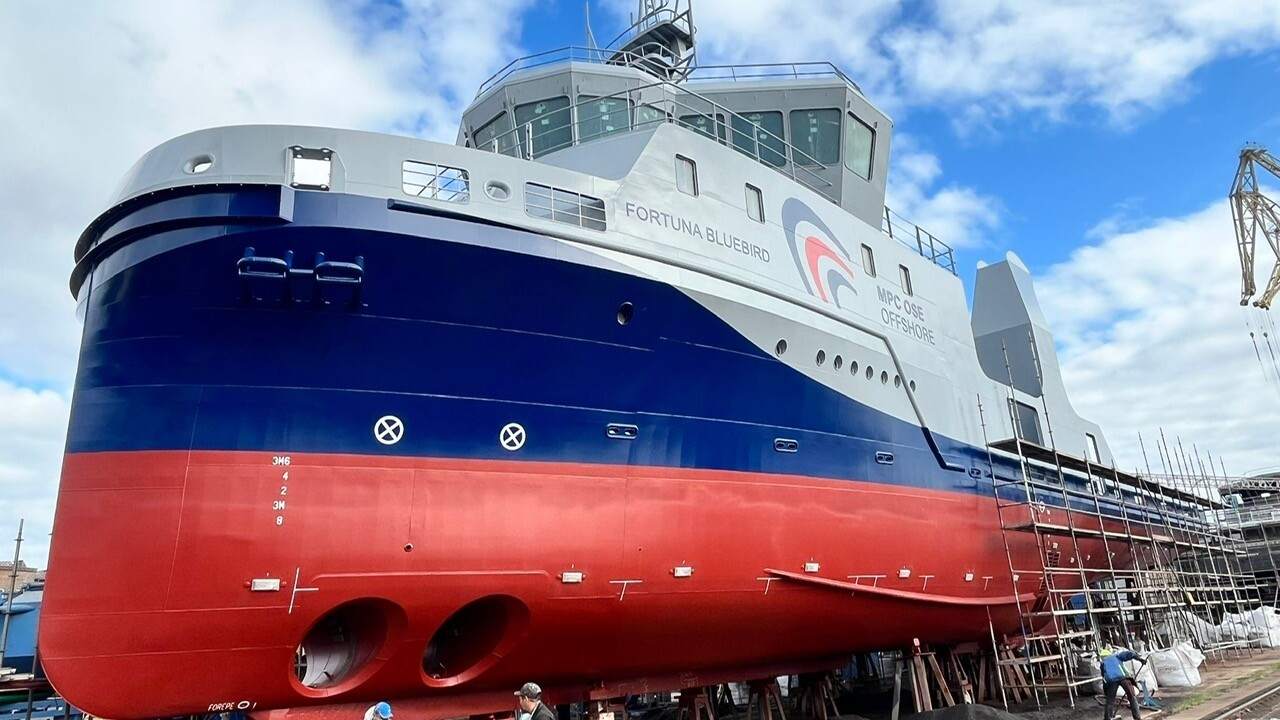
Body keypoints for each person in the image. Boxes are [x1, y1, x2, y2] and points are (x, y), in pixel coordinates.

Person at [1100, 648, 1145, 720]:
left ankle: (1108, 718)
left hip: (1112, 681)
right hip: (1123, 677)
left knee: (1110, 701)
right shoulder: (1116, 656)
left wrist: (1106, 692)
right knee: (1132, 697)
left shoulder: (1103, 663)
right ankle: (1137, 718)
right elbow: (1129, 654)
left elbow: (1104, 678)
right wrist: (1139, 659)